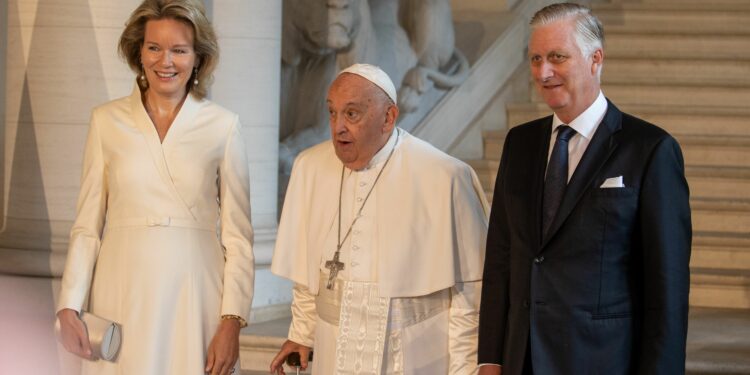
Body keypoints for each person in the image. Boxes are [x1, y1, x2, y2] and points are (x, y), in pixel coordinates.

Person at [477, 3, 692, 375]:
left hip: (603, 360)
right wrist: (491, 357)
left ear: (595, 59)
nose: (543, 72)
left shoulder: (651, 149)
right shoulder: (520, 143)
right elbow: (501, 258)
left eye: (557, 57)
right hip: (522, 359)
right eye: (535, 59)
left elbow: (666, 288)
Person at [55, 1, 254, 374]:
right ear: (139, 52)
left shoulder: (223, 126)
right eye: (154, 47)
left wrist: (232, 320)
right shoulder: (106, 122)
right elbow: (86, 228)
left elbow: (239, 238)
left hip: (195, 294)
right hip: (121, 289)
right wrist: (69, 304)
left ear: (198, 58)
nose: (166, 61)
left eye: (179, 50)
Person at [269, 63, 488, 374]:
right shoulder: (309, 168)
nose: (338, 127)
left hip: (414, 355)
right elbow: (307, 274)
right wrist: (302, 333)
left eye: (352, 114)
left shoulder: (444, 176)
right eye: (332, 113)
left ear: (388, 117)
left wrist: (466, 369)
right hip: (334, 352)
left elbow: (470, 290)